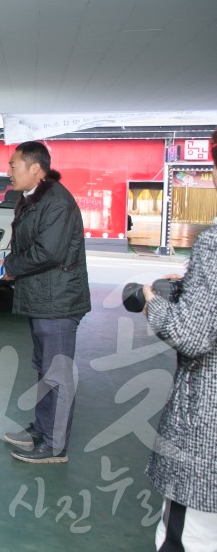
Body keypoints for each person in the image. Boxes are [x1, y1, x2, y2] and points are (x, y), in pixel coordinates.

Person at [138, 128, 217, 550]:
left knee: (190, 536)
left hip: (208, 422)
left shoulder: (215, 243)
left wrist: (154, 301)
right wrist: (193, 285)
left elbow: (193, 334)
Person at [0, 141, 90, 464]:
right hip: (42, 298)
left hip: (59, 302)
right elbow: (27, 244)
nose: (8, 171)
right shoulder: (31, 199)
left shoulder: (56, 203)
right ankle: (42, 429)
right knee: (44, 370)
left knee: (58, 375)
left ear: (35, 169)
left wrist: (10, 268)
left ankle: (54, 445)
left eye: (13, 165)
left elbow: (47, 252)